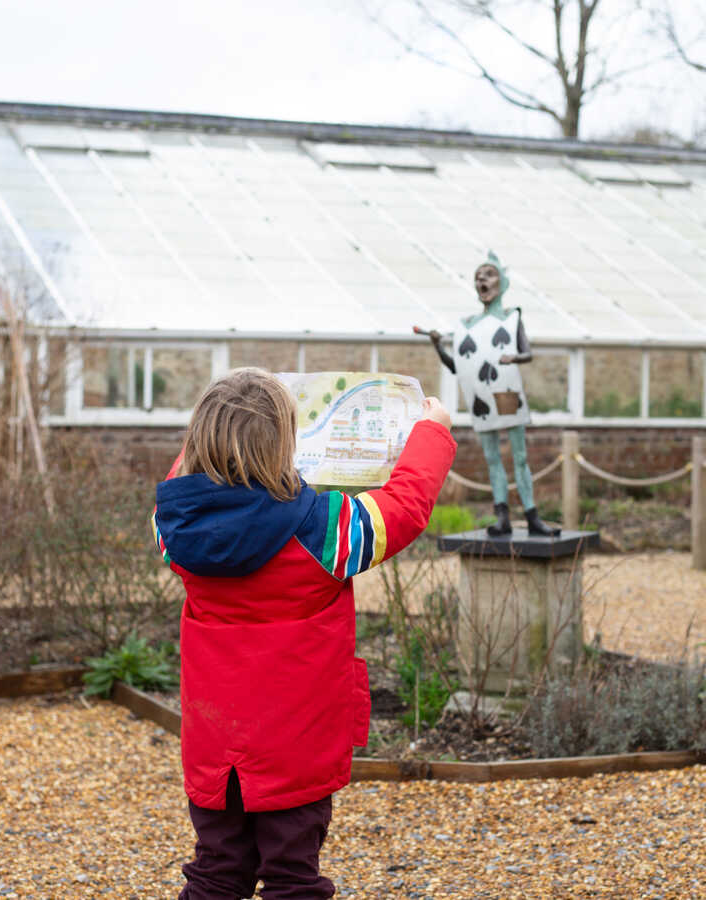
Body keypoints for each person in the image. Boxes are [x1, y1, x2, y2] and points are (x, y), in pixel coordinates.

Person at [152, 367, 456, 900]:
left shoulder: (175, 529)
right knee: (293, 878)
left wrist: (212, 428)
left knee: (216, 871)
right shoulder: (324, 530)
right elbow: (403, 508)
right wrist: (431, 431)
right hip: (296, 754)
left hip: (216, 754)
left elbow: (183, 477)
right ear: (285, 443)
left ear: (196, 438)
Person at [426, 251, 559, 538]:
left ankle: (532, 515)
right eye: (478, 275)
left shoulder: (512, 318)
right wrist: (438, 346)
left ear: (503, 283)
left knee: (519, 457)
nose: (481, 279)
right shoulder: (466, 326)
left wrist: (515, 359)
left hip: (506, 392)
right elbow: (457, 367)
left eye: (489, 273)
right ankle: (502, 517)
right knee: (492, 459)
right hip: (481, 399)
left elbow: (527, 352)